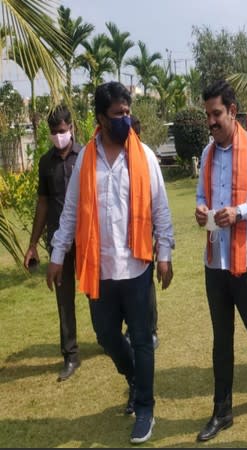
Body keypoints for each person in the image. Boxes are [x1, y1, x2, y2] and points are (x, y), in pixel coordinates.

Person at [47, 81, 175, 445]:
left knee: (143, 339)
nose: (125, 118)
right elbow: (71, 213)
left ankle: (146, 408)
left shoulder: (144, 156)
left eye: (127, 112)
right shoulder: (87, 157)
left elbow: (161, 208)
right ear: (101, 118)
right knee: (106, 336)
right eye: (118, 114)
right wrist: (57, 256)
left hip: (136, 267)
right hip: (99, 269)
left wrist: (164, 254)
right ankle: (134, 377)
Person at [195, 80, 247, 442]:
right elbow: (202, 192)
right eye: (208, 116)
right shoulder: (207, 153)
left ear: (232, 111)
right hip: (215, 260)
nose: (211, 122)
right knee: (221, 337)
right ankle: (222, 410)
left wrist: (241, 211)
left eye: (216, 114)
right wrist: (201, 209)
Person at [24, 105, 82, 382]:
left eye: (62, 131)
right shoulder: (46, 163)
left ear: (71, 128)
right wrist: (33, 243)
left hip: (87, 238)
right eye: (54, 132)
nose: (58, 136)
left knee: (100, 291)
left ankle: (110, 339)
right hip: (58, 241)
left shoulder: (85, 156)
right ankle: (70, 355)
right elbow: (43, 203)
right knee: (63, 299)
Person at [125, 114, 159, 350]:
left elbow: (156, 201)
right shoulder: (118, 155)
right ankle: (132, 328)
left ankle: (151, 328)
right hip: (126, 236)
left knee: (146, 285)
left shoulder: (145, 155)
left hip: (145, 233)